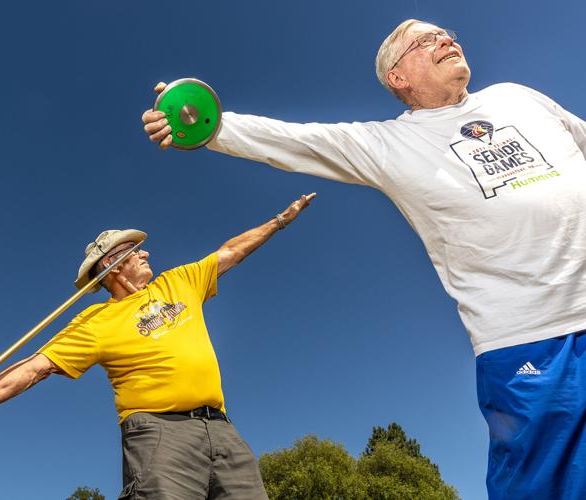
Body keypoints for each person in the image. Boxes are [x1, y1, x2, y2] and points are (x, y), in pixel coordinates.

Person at [142, 18, 586, 500]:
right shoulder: (388, 144)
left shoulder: (518, 97)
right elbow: (297, 141)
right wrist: (206, 124)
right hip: (530, 339)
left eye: (447, 34)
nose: (447, 40)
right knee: (545, 486)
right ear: (398, 77)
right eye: (426, 41)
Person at [0, 193, 315, 500]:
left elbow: (231, 251)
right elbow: (32, 369)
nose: (147, 251)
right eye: (136, 250)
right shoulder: (95, 321)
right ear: (114, 266)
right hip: (159, 433)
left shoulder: (179, 282)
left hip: (223, 431)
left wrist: (279, 220)